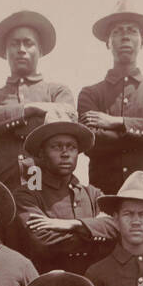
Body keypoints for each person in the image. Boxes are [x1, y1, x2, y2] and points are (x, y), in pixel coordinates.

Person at [78, 0, 143, 251]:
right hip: (105, 201)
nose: (125, 37)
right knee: (104, 271)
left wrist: (117, 123)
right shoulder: (90, 94)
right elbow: (90, 141)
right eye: (117, 31)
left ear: (142, 42)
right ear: (108, 42)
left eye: (132, 31)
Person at [0, 10, 76, 189]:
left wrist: (4, 120)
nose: (21, 50)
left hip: (49, 189)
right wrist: (26, 111)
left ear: (40, 50)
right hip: (5, 187)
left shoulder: (57, 91)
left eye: (28, 43)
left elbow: (67, 115)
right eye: (14, 44)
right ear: (6, 52)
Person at [12, 113, 117, 274]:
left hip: (92, 283)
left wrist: (74, 224)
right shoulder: (27, 196)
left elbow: (117, 227)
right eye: (56, 147)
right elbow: (43, 242)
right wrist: (95, 230)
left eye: (71, 147)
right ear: (41, 153)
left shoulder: (93, 194)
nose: (65, 153)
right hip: (49, 285)